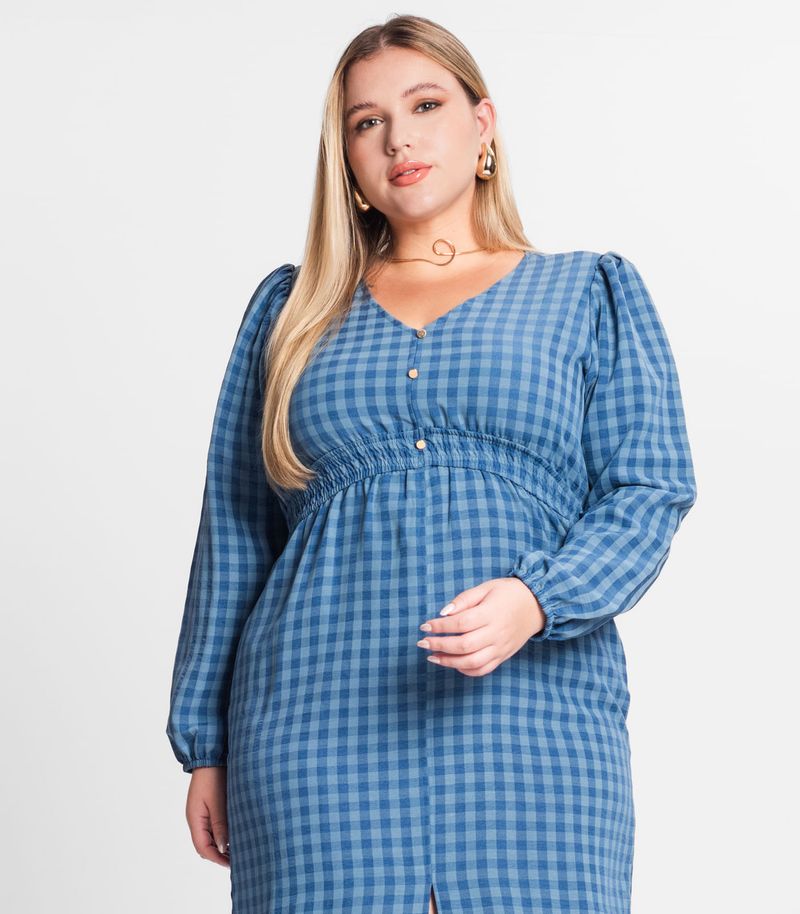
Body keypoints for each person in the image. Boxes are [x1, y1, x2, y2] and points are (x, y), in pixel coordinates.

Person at [166, 14, 697, 914]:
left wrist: (539, 598)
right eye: (367, 122)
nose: (398, 140)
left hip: (534, 720)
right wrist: (204, 746)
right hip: (310, 727)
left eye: (425, 106)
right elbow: (236, 528)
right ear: (345, 155)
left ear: (482, 124)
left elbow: (648, 488)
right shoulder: (290, 312)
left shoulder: (588, 291)